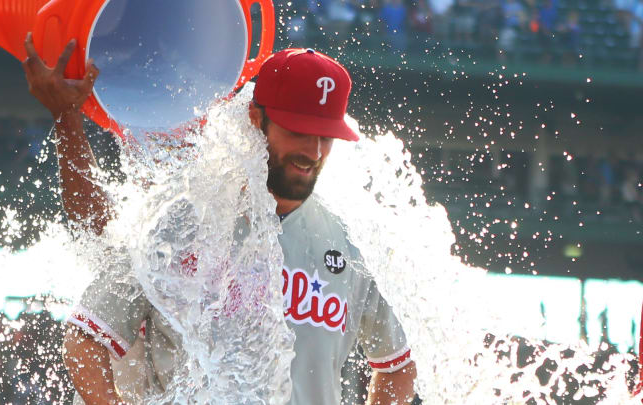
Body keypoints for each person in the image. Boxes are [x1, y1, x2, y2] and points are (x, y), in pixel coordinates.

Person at [22, 34, 417, 405]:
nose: (313, 151)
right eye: (298, 130)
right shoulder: (183, 218)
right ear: (254, 119)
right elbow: (85, 338)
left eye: (326, 136)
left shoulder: (352, 242)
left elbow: (399, 367)